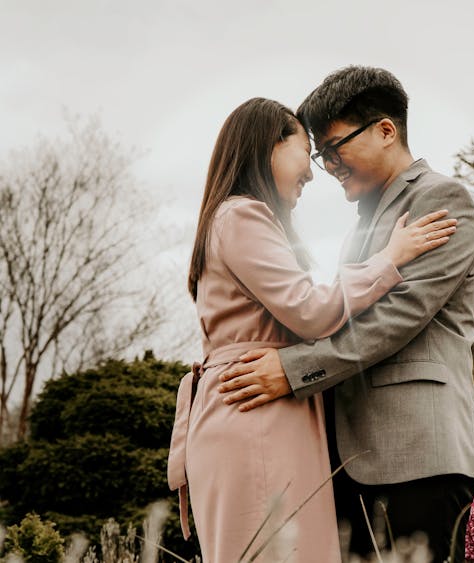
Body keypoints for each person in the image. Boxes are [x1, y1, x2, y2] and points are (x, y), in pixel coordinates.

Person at [166, 97, 458, 563]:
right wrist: (388, 259)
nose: (312, 171)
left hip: (260, 408)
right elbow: (310, 310)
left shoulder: (230, 218)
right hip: (259, 411)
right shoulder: (243, 215)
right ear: (268, 147)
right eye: (308, 151)